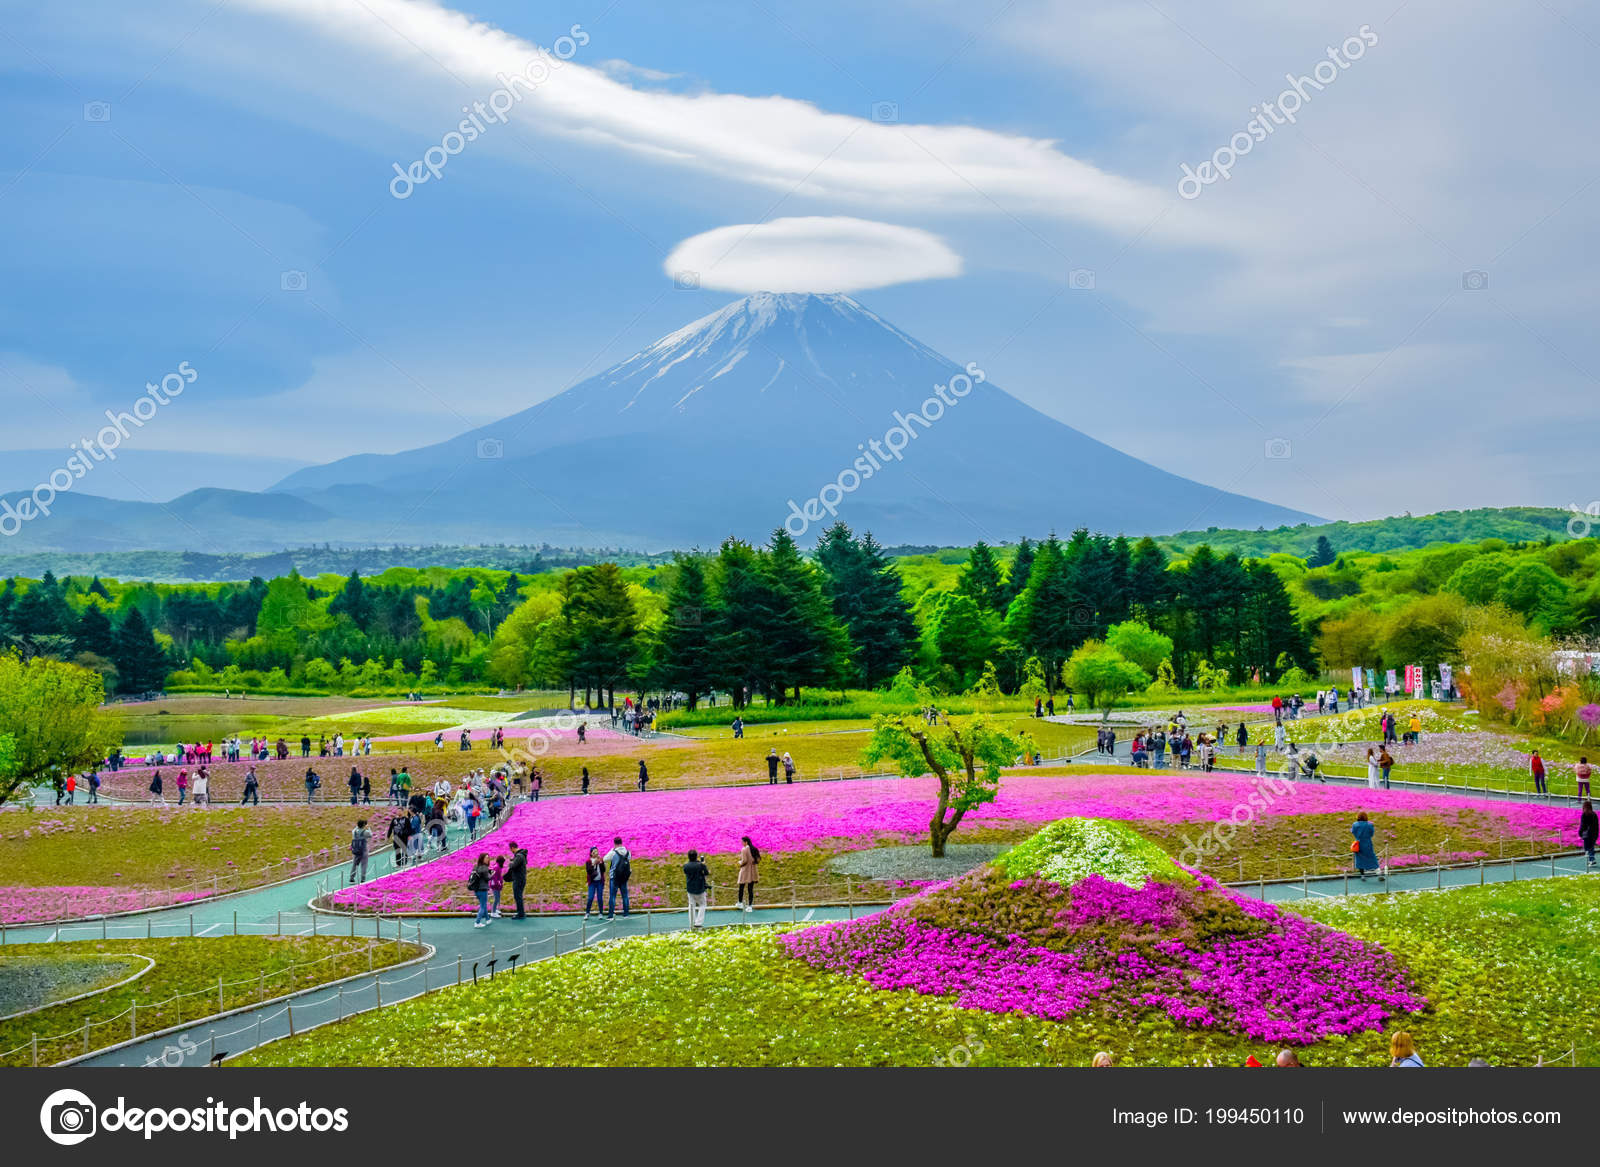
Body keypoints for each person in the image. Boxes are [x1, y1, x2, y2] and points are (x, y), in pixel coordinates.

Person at [684, 849, 712, 928]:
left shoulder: (686, 866)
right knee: (702, 904)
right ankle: (698, 922)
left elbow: (686, 872)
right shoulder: (700, 865)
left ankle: (692, 922)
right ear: (696, 856)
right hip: (700, 888)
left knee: (691, 905)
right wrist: (703, 865)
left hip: (690, 888)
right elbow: (706, 873)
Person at [605, 836, 631, 918]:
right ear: (621, 842)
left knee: (612, 896)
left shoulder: (613, 852)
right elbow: (628, 859)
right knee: (625, 896)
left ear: (614, 843)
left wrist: (611, 850)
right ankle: (626, 913)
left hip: (615, 877)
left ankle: (611, 915)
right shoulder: (628, 852)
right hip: (624, 877)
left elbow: (605, 859)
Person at [1352, 811, 1382, 881]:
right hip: (1368, 843)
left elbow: (1353, 832)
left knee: (1359, 859)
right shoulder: (1370, 825)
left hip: (1358, 844)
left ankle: (1362, 875)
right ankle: (1379, 873)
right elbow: (1371, 834)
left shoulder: (1355, 824)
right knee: (1372, 858)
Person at [468, 854, 492, 927]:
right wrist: (492, 874)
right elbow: (487, 878)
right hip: (482, 889)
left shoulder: (476, 867)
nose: (488, 859)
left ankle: (488, 919)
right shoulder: (484, 868)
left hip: (476, 889)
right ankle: (477, 922)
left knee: (483, 905)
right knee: (483, 906)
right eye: (486, 858)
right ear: (482, 859)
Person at [737, 835, 760, 911]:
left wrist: (739, 862)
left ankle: (740, 903)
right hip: (753, 871)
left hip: (745, 871)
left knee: (741, 887)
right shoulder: (754, 849)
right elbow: (758, 859)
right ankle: (750, 906)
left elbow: (744, 861)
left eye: (742, 842)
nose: (741, 843)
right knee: (750, 889)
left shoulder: (744, 849)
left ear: (746, 842)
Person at [506, 843, 529, 918]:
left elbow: (513, 866)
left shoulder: (519, 856)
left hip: (518, 879)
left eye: (511, 849)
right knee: (519, 896)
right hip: (521, 878)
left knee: (517, 896)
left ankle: (520, 913)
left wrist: (510, 863)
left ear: (512, 848)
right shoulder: (522, 855)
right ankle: (521, 912)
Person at [584, 846, 607, 917]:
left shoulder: (600, 859)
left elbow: (603, 870)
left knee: (600, 897)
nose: (595, 853)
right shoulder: (588, 861)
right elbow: (588, 871)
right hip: (592, 882)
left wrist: (601, 863)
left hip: (600, 881)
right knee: (590, 897)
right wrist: (593, 864)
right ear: (591, 853)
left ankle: (601, 913)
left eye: (596, 851)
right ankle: (587, 912)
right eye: (594, 852)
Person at [1579, 799, 1598, 870]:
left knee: (1590, 847)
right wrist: (1580, 832)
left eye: (1586, 808)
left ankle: (1592, 859)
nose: (1585, 810)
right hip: (1586, 835)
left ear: (1590, 808)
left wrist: (1593, 834)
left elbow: (1595, 826)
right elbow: (1582, 825)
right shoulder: (1583, 815)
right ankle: (1590, 858)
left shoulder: (1593, 815)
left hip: (1592, 834)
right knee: (1587, 847)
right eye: (1584, 808)